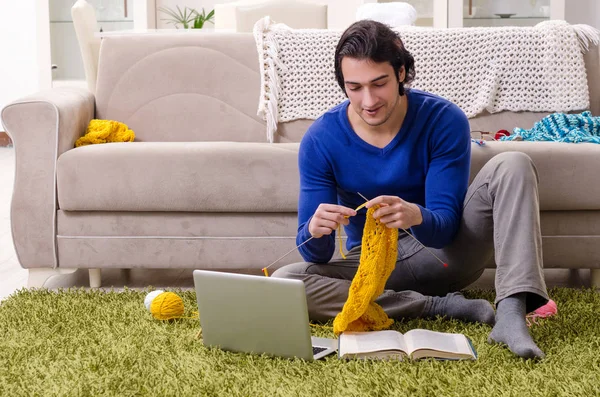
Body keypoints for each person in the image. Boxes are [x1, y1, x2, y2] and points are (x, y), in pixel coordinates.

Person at [272, 20, 549, 359]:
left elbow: (445, 229)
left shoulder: (443, 119)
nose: (368, 100)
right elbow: (315, 255)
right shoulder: (321, 139)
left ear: (401, 72)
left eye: (379, 83)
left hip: (447, 256)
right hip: (373, 270)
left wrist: (415, 214)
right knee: (287, 280)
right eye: (354, 87)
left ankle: (511, 312)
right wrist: (315, 229)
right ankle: (436, 306)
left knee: (513, 163)